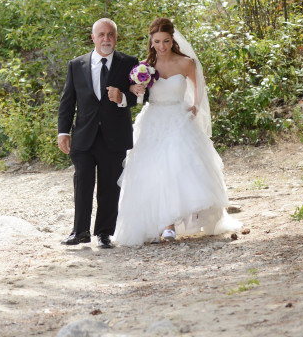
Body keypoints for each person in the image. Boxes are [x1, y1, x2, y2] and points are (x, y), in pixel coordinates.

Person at [114, 17, 241, 246]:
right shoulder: (144, 67)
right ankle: (165, 225)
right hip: (153, 120)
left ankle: (174, 221)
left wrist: (195, 106)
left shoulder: (186, 63)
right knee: (153, 170)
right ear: (151, 41)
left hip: (179, 118)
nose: (162, 47)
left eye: (166, 41)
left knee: (179, 167)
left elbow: (198, 87)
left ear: (173, 40)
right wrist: (137, 88)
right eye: (157, 42)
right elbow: (138, 96)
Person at [57, 18, 142, 248]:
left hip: (114, 136)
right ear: (93, 38)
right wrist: (62, 132)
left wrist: (123, 97)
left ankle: (104, 233)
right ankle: (80, 231)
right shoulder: (76, 65)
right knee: (82, 182)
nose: (106, 39)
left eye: (111, 34)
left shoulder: (130, 63)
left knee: (109, 186)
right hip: (84, 136)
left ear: (116, 38)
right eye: (102, 34)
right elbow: (67, 101)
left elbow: (140, 95)